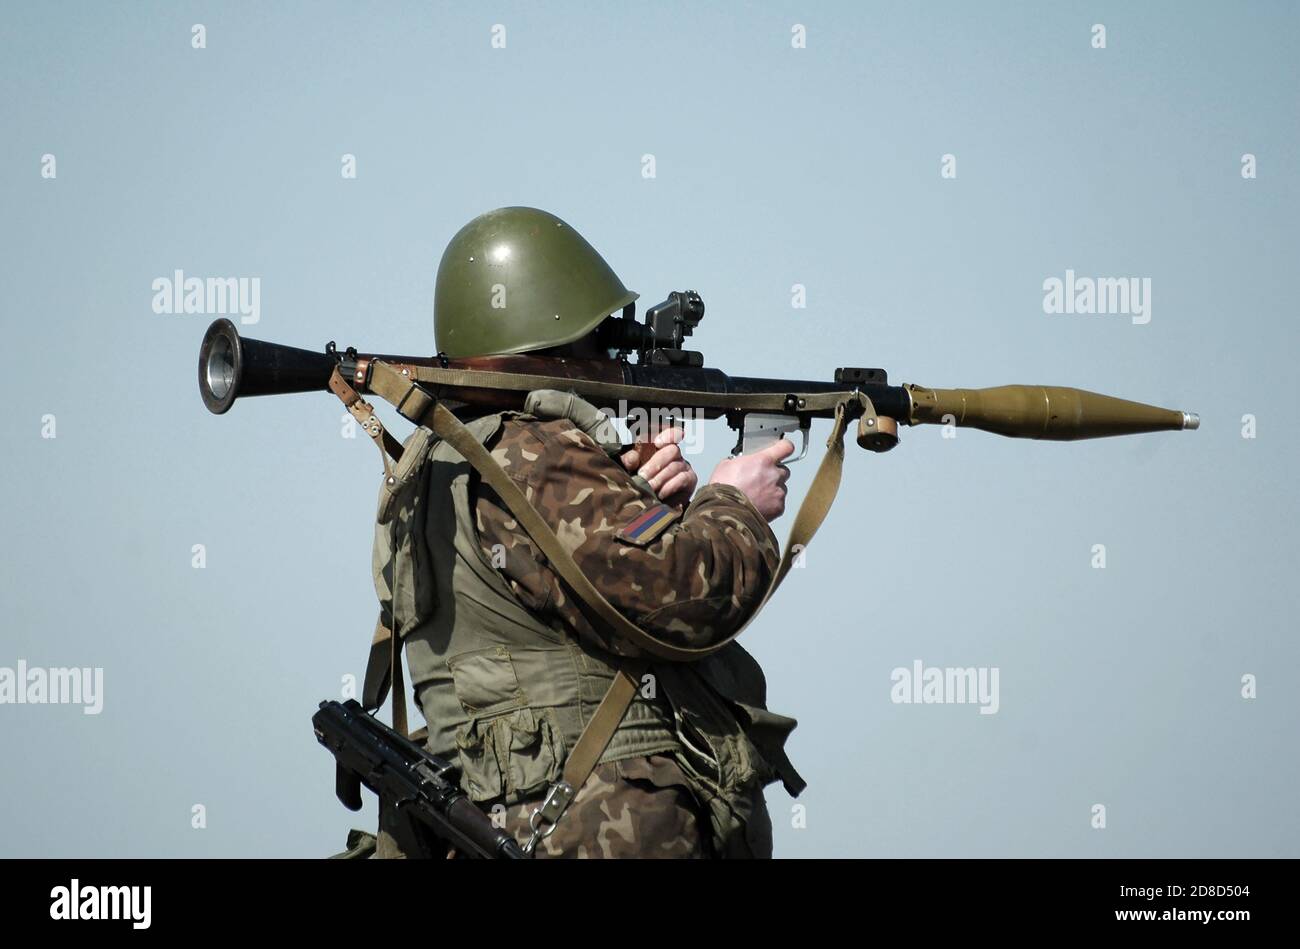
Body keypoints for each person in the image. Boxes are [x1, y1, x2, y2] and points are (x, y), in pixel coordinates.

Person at [372, 207, 805, 859]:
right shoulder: (536, 452)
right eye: (598, 340)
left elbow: (566, 601)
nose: (609, 359)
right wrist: (734, 502)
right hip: (594, 825)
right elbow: (682, 597)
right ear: (550, 338)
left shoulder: (444, 460)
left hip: (505, 824)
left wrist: (646, 509)